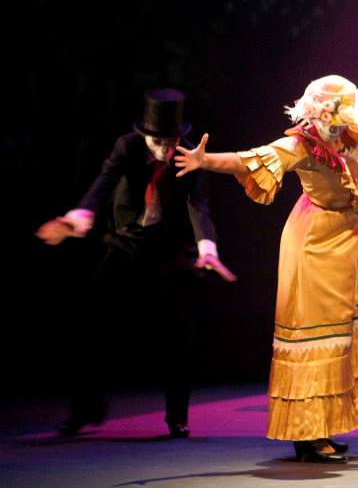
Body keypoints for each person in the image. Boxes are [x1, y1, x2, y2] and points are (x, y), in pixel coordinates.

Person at [174, 44, 358, 462]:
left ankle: (323, 427)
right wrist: (205, 160)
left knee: (338, 334)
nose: (348, 123)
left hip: (343, 239)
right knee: (315, 335)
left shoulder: (350, 122)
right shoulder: (302, 145)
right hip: (313, 244)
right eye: (339, 118)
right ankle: (308, 435)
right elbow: (250, 160)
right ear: (320, 117)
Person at [36, 88, 236, 438]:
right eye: (158, 142)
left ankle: (177, 417)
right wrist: (78, 216)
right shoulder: (126, 147)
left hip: (168, 252)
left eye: (172, 141)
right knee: (87, 322)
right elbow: (103, 184)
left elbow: (198, 204)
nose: (166, 150)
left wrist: (206, 248)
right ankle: (85, 410)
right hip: (125, 245)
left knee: (179, 333)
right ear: (145, 136)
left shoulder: (189, 155)